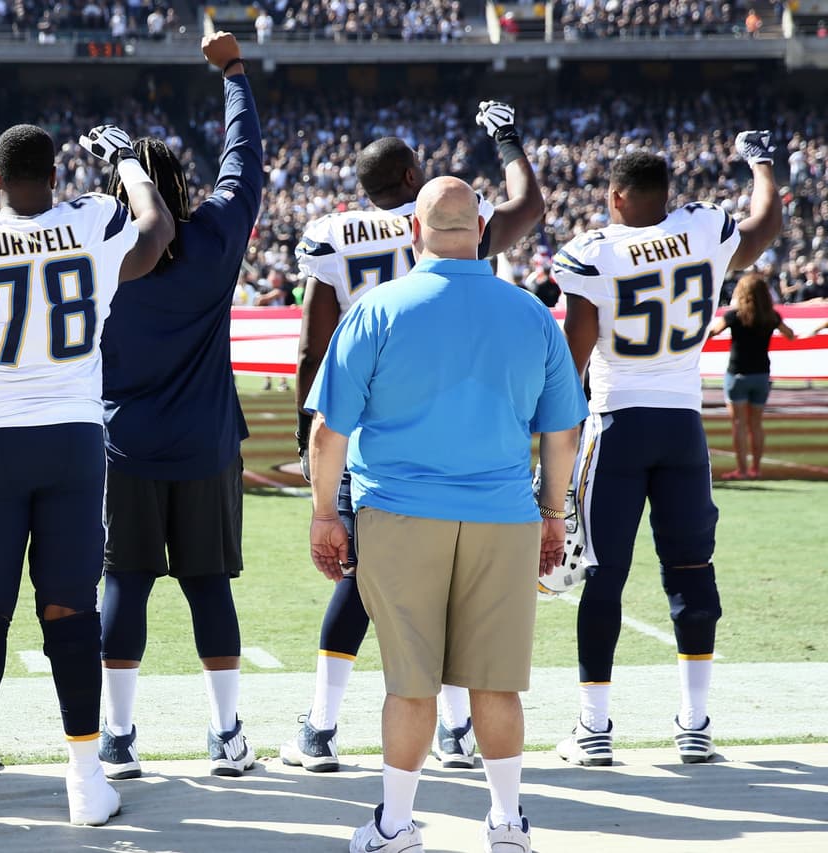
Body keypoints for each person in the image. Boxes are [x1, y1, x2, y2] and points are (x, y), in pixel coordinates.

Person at [0, 122, 173, 827]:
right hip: (75, 440)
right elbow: (156, 228)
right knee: (71, 611)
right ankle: (86, 783)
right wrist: (125, 163)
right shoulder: (92, 222)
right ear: (56, 176)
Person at [306, 177, 586, 853]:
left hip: (400, 515)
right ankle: (508, 823)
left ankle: (396, 824)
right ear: (483, 229)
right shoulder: (527, 314)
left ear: (414, 231)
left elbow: (327, 432)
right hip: (503, 513)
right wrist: (554, 514)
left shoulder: (379, 308)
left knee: (410, 683)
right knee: (495, 681)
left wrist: (323, 514)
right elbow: (562, 434)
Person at [285, 99, 545, 774]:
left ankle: (322, 723)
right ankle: (456, 728)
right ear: (411, 177)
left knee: (362, 577)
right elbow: (528, 207)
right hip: (460, 423)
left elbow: (313, 349)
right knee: (458, 583)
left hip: (369, 433)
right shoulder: (450, 220)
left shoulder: (333, 235)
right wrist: (508, 142)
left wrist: (308, 432)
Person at [553, 134, 783, 767]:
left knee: (603, 575)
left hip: (618, 424)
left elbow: (574, 356)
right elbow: (766, 224)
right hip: (684, 427)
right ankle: (696, 722)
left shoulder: (594, 253)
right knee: (690, 570)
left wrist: (551, 446)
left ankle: (594, 726)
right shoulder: (703, 229)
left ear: (617, 196)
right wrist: (762, 164)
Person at [97, 31, 262, 781]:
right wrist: (232, 73)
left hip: (124, 444)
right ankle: (228, 733)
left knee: (123, 583)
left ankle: (118, 738)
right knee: (207, 586)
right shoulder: (216, 238)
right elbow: (243, 162)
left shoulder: (100, 256)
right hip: (204, 445)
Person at [706, 273, 796, 480]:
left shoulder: (733, 316)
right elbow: (789, 334)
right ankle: (756, 468)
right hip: (761, 374)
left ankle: (742, 470)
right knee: (756, 424)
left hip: (737, 373)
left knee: (738, 424)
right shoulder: (771, 316)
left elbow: (713, 332)